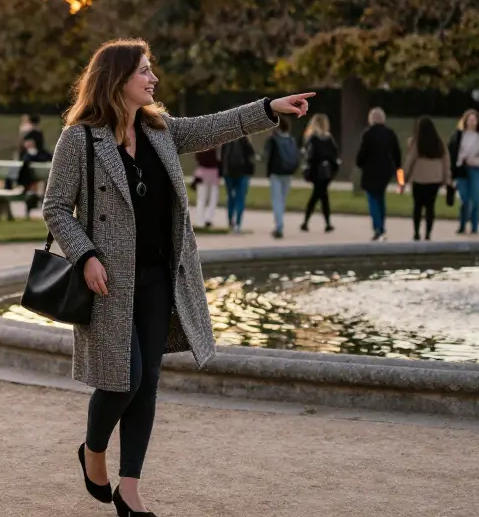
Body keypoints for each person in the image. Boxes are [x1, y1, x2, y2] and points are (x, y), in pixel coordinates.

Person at [42, 37, 312, 516]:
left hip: (159, 279)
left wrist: (269, 107)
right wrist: (84, 255)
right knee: (123, 379)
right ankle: (93, 451)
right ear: (117, 79)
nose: (154, 78)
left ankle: (130, 489)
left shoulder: (160, 129)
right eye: (145, 71)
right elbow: (57, 208)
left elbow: (215, 127)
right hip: (107, 284)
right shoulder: (80, 138)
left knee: (147, 383)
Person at [400, 116, 451, 241]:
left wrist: (402, 180)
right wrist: (447, 179)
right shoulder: (440, 144)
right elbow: (446, 163)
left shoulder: (418, 143)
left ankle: (416, 233)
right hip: (435, 180)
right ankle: (428, 234)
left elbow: (408, 163)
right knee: (430, 207)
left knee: (417, 207)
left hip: (419, 180)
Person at [354, 108, 401, 240]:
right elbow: (397, 154)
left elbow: (362, 154)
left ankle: (377, 227)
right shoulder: (390, 133)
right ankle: (382, 225)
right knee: (381, 198)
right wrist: (398, 172)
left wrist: (360, 164)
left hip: (370, 171)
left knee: (372, 199)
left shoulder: (368, 134)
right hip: (385, 171)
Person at [448, 109, 479, 235]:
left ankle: (474, 226)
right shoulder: (459, 136)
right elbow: (453, 152)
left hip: (476, 170)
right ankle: (462, 224)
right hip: (462, 169)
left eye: (474, 120)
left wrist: (474, 161)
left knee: (475, 199)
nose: (472, 122)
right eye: (470, 120)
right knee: (464, 199)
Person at [300, 114, 338, 233]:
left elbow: (310, 156)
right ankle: (325, 223)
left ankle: (307, 222)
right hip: (326, 172)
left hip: (316, 171)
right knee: (321, 196)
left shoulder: (312, 139)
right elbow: (334, 155)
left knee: (318, 196)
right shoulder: (329, 139)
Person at [263, 117, 300, 238]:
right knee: (282, 199)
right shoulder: (291, 139)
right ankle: (280, 222)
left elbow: (268, 158)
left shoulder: (273, 139)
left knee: (276, 200)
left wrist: (267, 172)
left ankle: (279, 226)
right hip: (288, 173)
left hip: (276, 173)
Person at [220, 135, 256, 233]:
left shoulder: (226, 140)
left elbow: (222, 158)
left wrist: (222, 172)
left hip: (228, 173)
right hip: (243, 173)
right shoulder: (245, 141)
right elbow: (251, 157)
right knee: (240, 198)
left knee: (231, 197)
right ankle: (238, 223)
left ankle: (230, 220)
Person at [192, 147, 221, 229]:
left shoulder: (200, 145)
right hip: (214, 172)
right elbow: (219, 159)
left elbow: (197, 158)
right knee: (213, 198)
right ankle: (209, 218)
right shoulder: (216, 145)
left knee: (201, 199)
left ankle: (200, 221)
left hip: (202, 172)